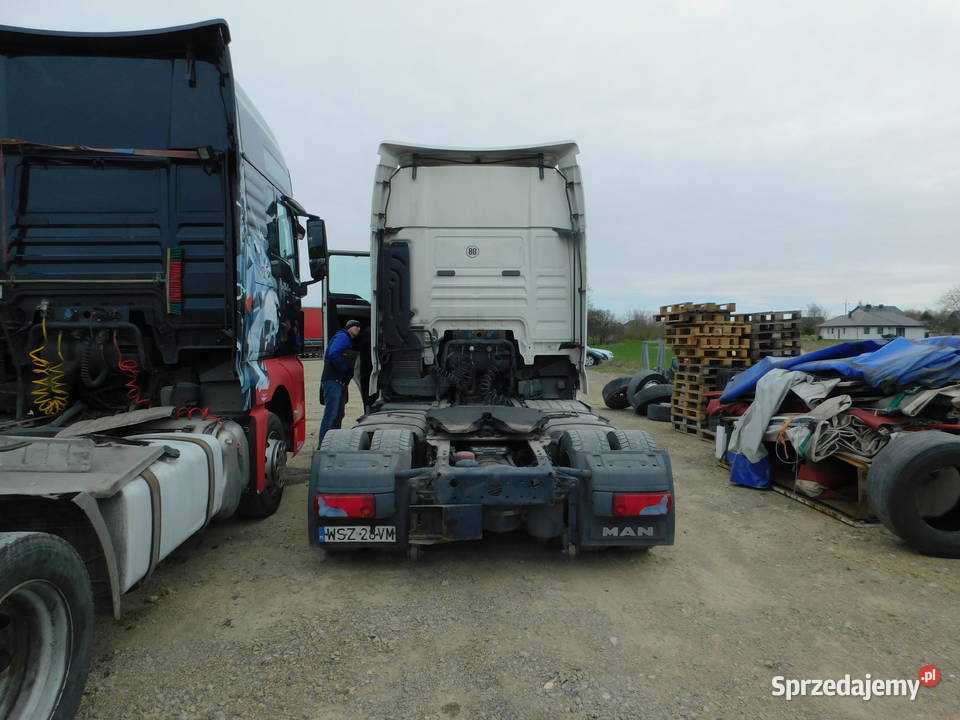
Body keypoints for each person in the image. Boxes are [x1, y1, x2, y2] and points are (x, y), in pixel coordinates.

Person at [318, 319, 362, 446]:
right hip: (333, 381)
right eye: (356, 326)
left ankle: (332, 442)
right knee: (332, 414)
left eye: (359, 327)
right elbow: (333, 353)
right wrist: (344, 368)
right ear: (349, 327)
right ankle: (324, 445)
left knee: (338, 414)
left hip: (339, 383)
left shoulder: (346, 339)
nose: (358, 329)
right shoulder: (343, 336)